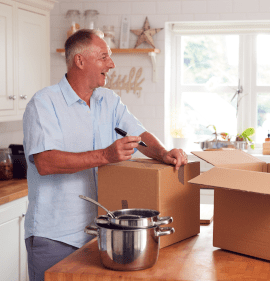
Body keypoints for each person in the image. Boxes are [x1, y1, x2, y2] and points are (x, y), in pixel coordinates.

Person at [22, 29, 188, 281]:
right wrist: (105, 155)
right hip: (54, 237)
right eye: (103, 57)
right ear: (80, 61)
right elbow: (45, 162)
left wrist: (164, 153)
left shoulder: (108, 101)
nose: (111, 64)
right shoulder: (43, 103)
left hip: (99, 234)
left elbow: (139, 136)